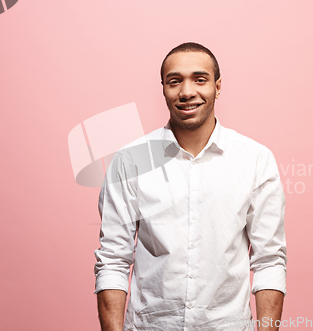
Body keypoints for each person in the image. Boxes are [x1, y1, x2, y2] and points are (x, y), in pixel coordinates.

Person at [94, 42, 287, 331]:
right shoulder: (130, 161)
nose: (186, 92)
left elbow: (269, 260)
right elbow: (113, 260)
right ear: (163, 88)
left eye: (200, 79)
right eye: (175, 81)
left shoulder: (256, 160)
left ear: (218, 87)